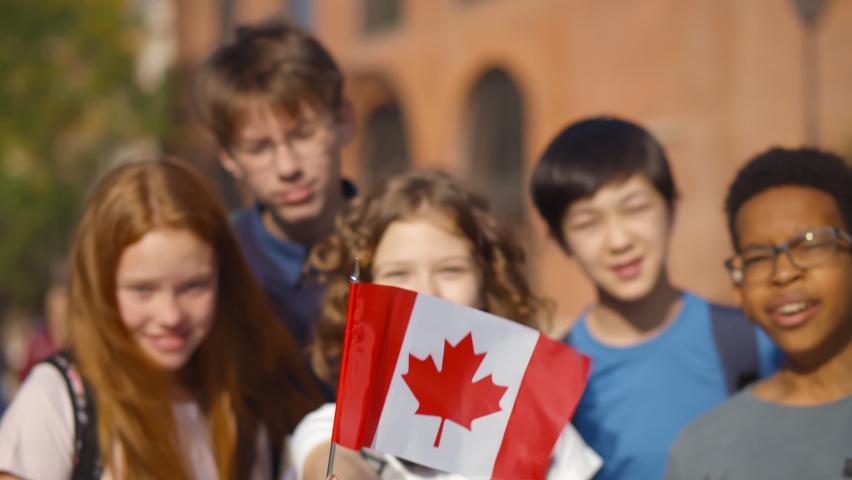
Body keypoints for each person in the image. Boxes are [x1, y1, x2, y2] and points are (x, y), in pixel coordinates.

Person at [0, 155, 323, 480]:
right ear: (101, 287)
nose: (170, 315)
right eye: (142, 290)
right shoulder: (59, 401)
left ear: (223, 277)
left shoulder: (243, 395)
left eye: (194, 286)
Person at [289, 170, 602, 480]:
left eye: (451, 270)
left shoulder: (543, 438)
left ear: (486, 285)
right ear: (364, 297)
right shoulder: (340, 425)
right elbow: (329, 458)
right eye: (398, 274)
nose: (427, 294)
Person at [528, 117, 783, 480]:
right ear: (558, 241)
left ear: (673, 205)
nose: (619, 241)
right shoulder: (551, 385)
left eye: (635, 209)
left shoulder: (756, 341)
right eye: (588, 223)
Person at [665, 149, 852, 480]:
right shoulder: (703, 451)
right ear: (739, 292)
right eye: (757, 258)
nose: (782, 274)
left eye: (810, 243)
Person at [193, 20, 356, 356]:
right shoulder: (216, 269)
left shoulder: (403, 251)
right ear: (228, 156)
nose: (288, 168)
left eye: (304, 135)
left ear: (343, 120)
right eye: (259, 148)